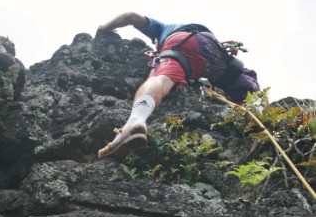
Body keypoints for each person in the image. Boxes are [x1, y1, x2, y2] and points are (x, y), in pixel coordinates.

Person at [96, 12, 260, 159]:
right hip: (212, 49)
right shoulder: (198, 28)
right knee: (244, 86)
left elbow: (131, 16)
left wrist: (104, 27)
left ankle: (136, 120)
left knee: (160, 79)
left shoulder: (162, 28)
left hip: (182, 44)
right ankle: (259, 118)